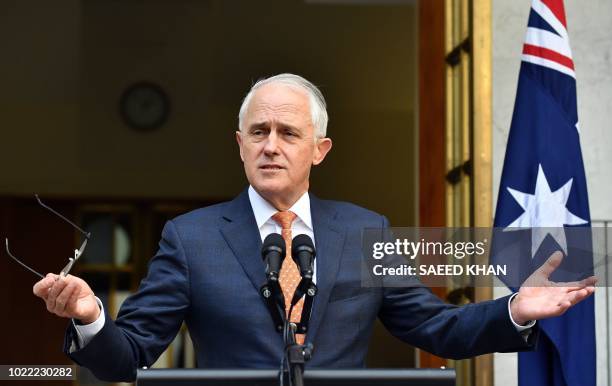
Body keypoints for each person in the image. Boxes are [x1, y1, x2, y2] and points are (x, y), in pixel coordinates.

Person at [33, 73, 596, 382]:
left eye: (287, 132)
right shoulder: (191, 237)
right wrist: (90, 318)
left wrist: (516, 309)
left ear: (319, 149)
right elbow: (128, 356)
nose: (270, 145)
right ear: (239, 145)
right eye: (258, 132)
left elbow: (437, 328)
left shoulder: (364, 229)